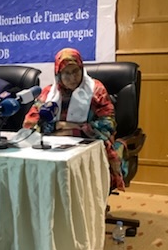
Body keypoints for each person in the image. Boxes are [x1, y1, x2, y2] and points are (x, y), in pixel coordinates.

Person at [23, 47, 124, 190]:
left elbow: (108, 124)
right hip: (54, 149)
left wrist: (69, 130)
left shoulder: (96, 90)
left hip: (90, 147)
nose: (72, 77)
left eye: (76, 71)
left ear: (82, 69)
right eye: (66, 73)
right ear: (58, 74)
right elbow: (30, 124)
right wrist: (59, 126)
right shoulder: (49, 93)